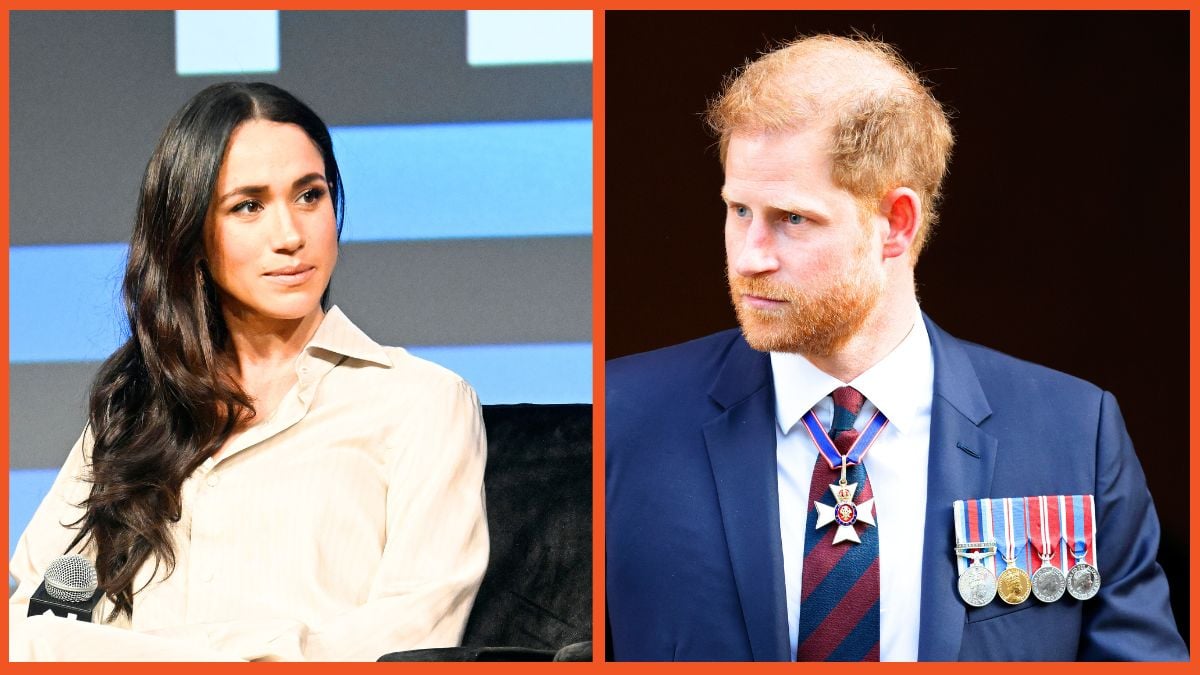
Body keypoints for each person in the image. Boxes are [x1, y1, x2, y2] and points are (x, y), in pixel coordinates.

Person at [605, 35, 1187, 661]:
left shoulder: (1074, 433)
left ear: (897, 223)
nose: (750, 256)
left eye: (793, 219)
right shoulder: (621, 419)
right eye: (739, 209)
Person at [9, 82, 488, 661]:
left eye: (310, 196)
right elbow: (36, 623)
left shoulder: (421, 402)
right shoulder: (134, 411)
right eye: (249, 206)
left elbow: (413, 639)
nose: (290, 236)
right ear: (193, 235)